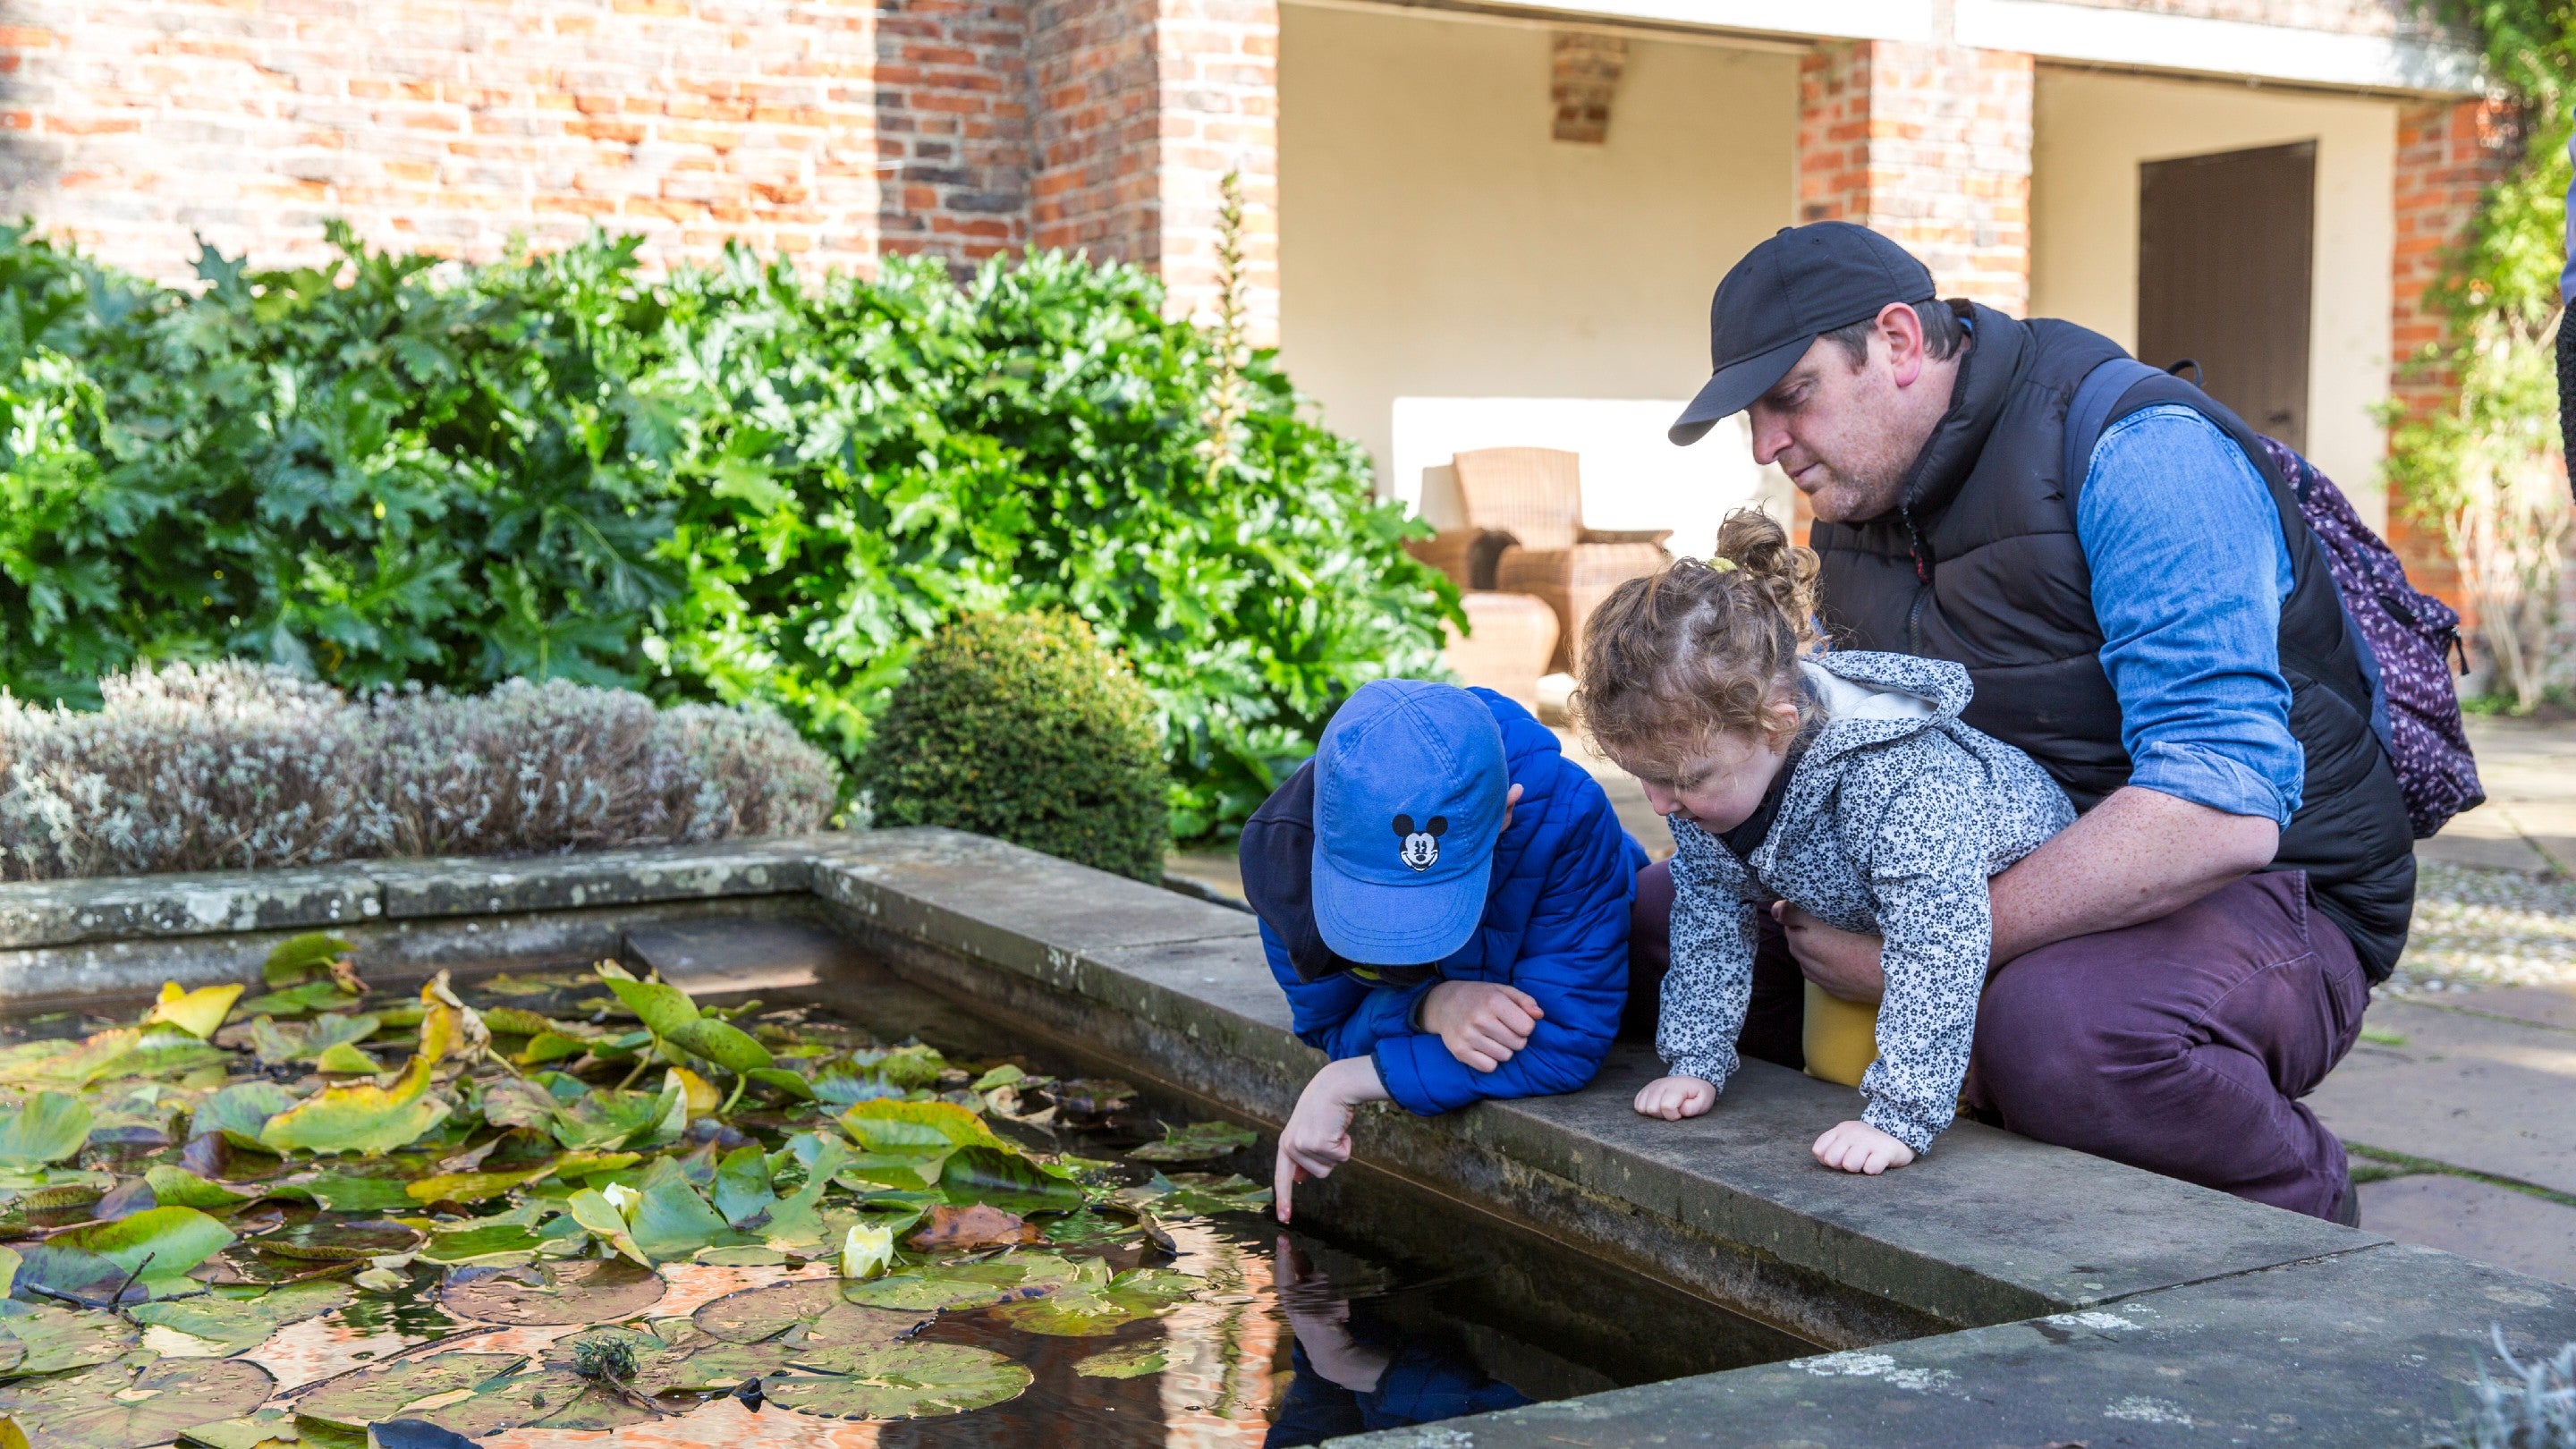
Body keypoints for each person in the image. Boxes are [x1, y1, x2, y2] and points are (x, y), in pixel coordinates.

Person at [1646, 222, 2411, 1222]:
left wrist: (1911, 954)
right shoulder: (1860, 493)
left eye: (1791, 396)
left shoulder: (2144, 455)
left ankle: (2310, 1235)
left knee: (2065, 1031)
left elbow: (2223, 808)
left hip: (2271, 886)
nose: (1765, 445)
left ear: (1900, 344)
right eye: (1754, 413)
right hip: (1985, 843)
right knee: (1663, 920)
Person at [1580, 515, 2073, 1174]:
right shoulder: (1705, 777)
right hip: (1864, 905)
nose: (1660, 803)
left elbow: (1937, 946)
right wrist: (1696, 1059)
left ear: (1777, 724)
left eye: (1683, 780)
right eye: (1644, 775)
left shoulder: (1901, 781)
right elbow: (1709, 913)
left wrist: (1901, 1116)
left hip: (2012, 914)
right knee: (1831, 1057)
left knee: (2016, 1045)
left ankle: (1948, 1097)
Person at [1241, 678, 1644, 1224]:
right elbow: (1327, 1022)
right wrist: (1429, 1007)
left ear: (1506, 813)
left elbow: (1564, 1042)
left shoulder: (1567, 815)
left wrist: (1347, 1081)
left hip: (1625, 948)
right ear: (1325, 835)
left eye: (1438, 899)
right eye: (1376, 906)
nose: (1408, 940)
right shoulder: (1284, 864)